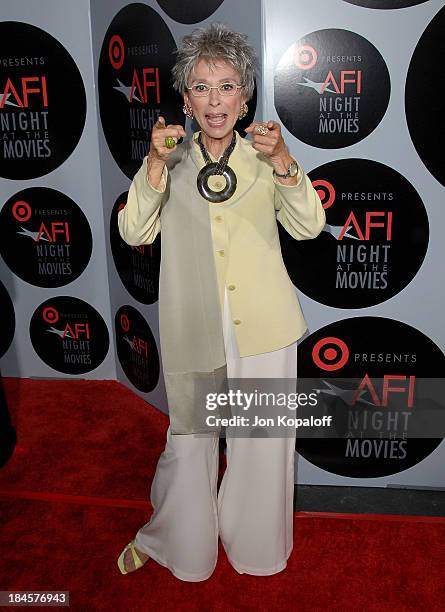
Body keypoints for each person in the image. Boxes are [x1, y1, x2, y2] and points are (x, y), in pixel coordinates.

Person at [116, 22, 325, 581]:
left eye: (227, 86)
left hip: (262, 325)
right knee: (191, 441)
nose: (215, 100)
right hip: (195, 324)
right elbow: (136, 230)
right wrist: (154, 167)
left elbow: (309, 226)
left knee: (261, 445)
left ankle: (256, 546)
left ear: (245, 96)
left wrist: (283, 159)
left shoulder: (265, 154)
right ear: (185, 98)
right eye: (202, 87)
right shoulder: (169, 155)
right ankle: (178, 542)